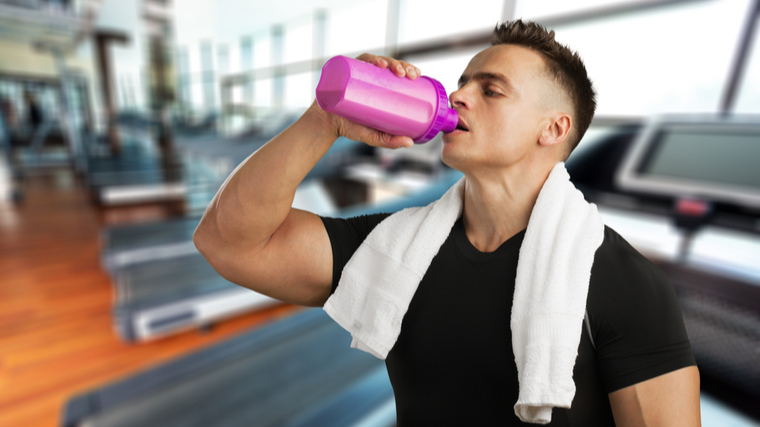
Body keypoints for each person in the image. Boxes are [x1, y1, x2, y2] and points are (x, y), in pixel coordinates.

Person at [194, 20, 700, 426]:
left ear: (554, 128)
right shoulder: (394, 250)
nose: (458, 96)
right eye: (462, 83)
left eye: (491, 90)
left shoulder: (625, 283)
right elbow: (228, 242)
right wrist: (324, 120)